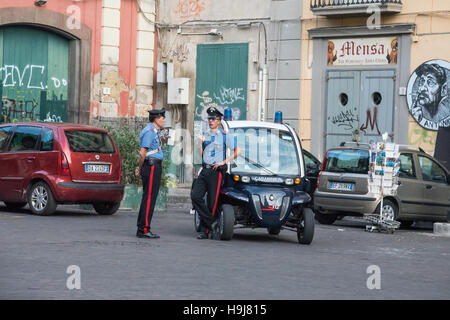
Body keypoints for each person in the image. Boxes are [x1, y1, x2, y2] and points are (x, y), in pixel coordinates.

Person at [191, 107, 241, 239]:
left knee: (212, 202)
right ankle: (212, 222)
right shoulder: (205, 134)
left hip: (216, 172)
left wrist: (224, 162)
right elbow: (199, 154)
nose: (210, 121)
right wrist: (199, 143)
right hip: (205, 169)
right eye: (209, 119)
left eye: (213, 119)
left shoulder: (225, 135)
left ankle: (206, 231)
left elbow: (237, 151)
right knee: (195, 196)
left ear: (219, 121)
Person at [135, 108, 166, 239]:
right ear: (156, 119)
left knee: (149, 198)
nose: (164, 120)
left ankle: (143, 227)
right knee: (149, 199)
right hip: (151, 166)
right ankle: (144, 229)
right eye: (163, 118)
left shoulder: (154, 131)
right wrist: (139, 167)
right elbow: (143, 152)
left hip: (154, 166)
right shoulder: (149, 131)